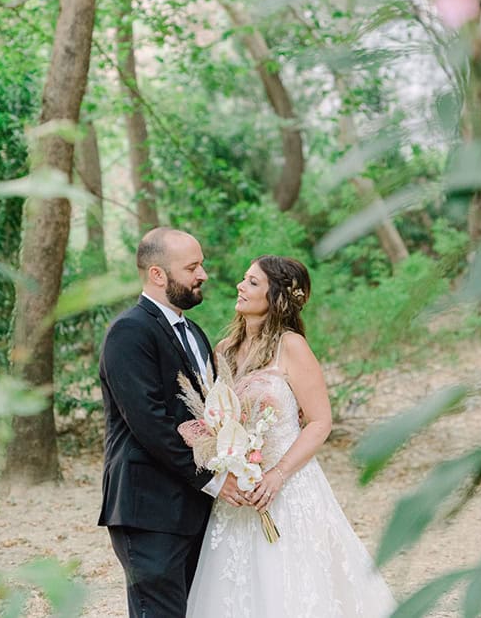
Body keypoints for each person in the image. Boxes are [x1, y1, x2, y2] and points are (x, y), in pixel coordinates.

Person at [186, 255, 396, 618]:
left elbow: (319, 422)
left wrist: (276, 474)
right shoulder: (222, 351)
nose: (240, 285)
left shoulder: (291, 347)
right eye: (243, 279)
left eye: (252, 282)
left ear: (277, 296)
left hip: (287, 488)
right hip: (238, 492)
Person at [98, 227, 244, 618]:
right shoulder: (129, 332)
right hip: (149, 508)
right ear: (157, 275)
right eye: (192, 267)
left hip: (194, 506)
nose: (203, 275)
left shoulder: (194, 333)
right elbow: (150, 423)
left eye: (202, 265)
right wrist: (213, 480)